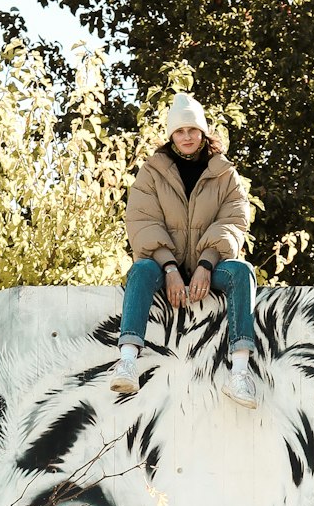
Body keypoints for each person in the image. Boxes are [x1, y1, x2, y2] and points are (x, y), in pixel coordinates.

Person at [111, 93, 259, 408]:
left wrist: (206, 264)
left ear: (203, 132)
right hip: (164, 267)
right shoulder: (152, 172)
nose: (187, 137)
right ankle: (126, 361)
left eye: (192, 130)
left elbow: (234, 219)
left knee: (242, 273)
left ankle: (241, 373)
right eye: (180, 131)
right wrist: (169, 268)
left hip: (212, 264)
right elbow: (142, 222)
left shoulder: (224, 173)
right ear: (171, 136)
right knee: (140, 270)